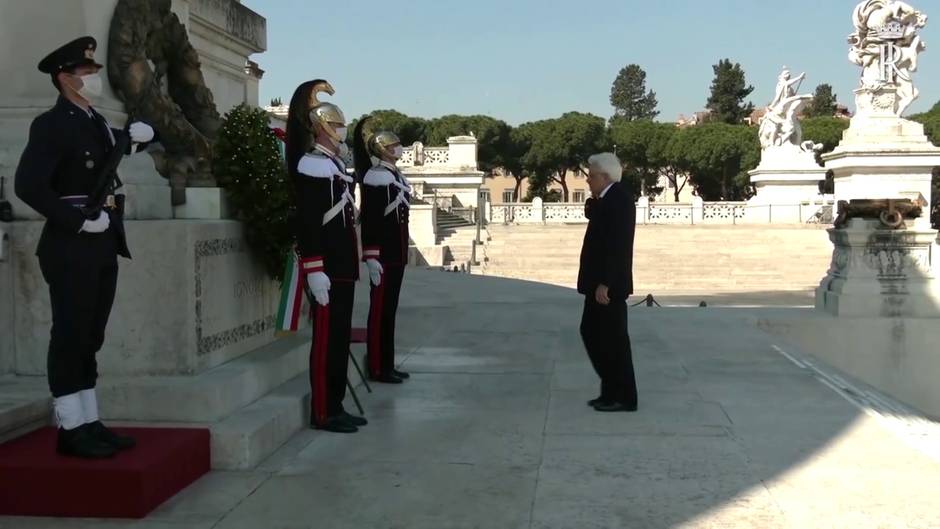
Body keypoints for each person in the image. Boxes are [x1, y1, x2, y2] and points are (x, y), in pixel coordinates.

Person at [14, 36, 158, 458]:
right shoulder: (52, 124)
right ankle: (70, 427)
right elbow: (29, 186)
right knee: (70, 335)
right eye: (86, 73)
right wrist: (78, 219)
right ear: (64, 78)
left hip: (103, 241)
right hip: (70, 244)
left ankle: (90, 420)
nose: (94, 79)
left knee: (91, 336)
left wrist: (145, 136)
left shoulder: (93, 121)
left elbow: (124, 144)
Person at [285, 79, 366, 433]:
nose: (340, 129)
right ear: (319, 127)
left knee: (339, 340)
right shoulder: (312, 165)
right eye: (334, 124)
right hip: (327, 267)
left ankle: (336, 404)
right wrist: (314, 268)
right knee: (325, 342)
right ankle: (323, 411)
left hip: (343, 267)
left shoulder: (333, 166)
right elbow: (309, 221)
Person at [577, 152, 638, 412]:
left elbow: (618, 246)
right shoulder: (608, 197)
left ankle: (624, 397)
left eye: (591, 176)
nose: (588, 181)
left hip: (607, 286)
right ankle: (610, 391)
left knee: (613, 341)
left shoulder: (620, 199)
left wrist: (606, 283)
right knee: (592, 334)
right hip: (598, 283)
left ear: (604, 176)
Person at [353, 117, 411, 384]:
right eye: (395, 145)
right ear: (384, 149)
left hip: (396, 255)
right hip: (384, 256)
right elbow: (373, 218)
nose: (399, 148)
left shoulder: (394, 175)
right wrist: (372, 255)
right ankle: (378, 366)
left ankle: (388, 363)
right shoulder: (378, 178)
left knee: (390, 311)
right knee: (380, 312)